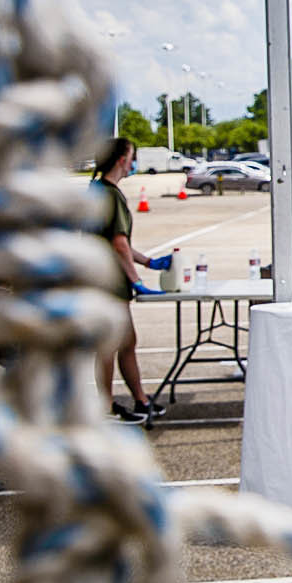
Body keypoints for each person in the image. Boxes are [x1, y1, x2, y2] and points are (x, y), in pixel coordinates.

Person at [92, 137, 173, 422]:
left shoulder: (100, 191)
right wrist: (136, 278)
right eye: (132, 156)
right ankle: (105, 407)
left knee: (126, 342)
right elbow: (118, 244)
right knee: (111, 344)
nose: (133, 162)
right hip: (107, 284)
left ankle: (139, 399)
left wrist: (149, 262)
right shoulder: (109, 195)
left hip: (105, 280)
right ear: (121, 160)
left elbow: (119, 242)